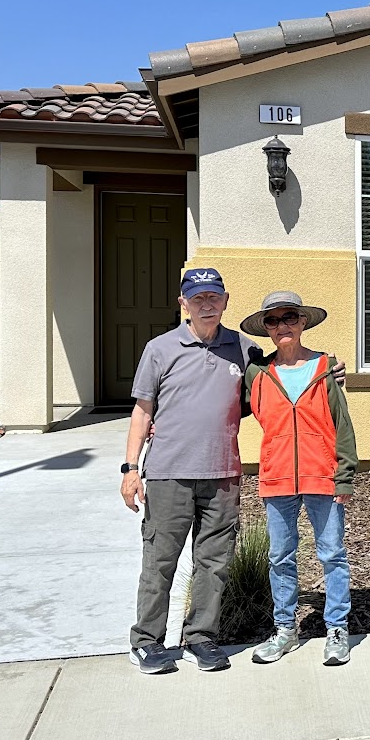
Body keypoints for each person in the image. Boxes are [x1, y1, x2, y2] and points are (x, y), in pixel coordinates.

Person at [120, 268, 253, 674]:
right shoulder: (160, 349)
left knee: (214, 562)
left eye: (214, 297)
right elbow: (143, 411)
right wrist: (130, 468)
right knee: (160, 560)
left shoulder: (244, 349)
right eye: (198, 299)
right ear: (184, 305)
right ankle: (146, 642)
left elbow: (274, 387)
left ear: (226, 300)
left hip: (223, 473)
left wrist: (328, 374)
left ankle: (201, 637)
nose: (207, 304)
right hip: (168, 473)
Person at [240, 290, 358, 666]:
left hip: (322, 475)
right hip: (277, 477)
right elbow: (220, 409)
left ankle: (337, 629)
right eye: (273, 321)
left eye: (289, 317)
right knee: (280, 558)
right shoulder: (257, 374)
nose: (282, 326)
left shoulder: (326, 366)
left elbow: (342, 424)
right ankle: (285, 630)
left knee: (332, 555)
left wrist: (345, 475)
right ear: (266, 330)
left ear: (303, 322)